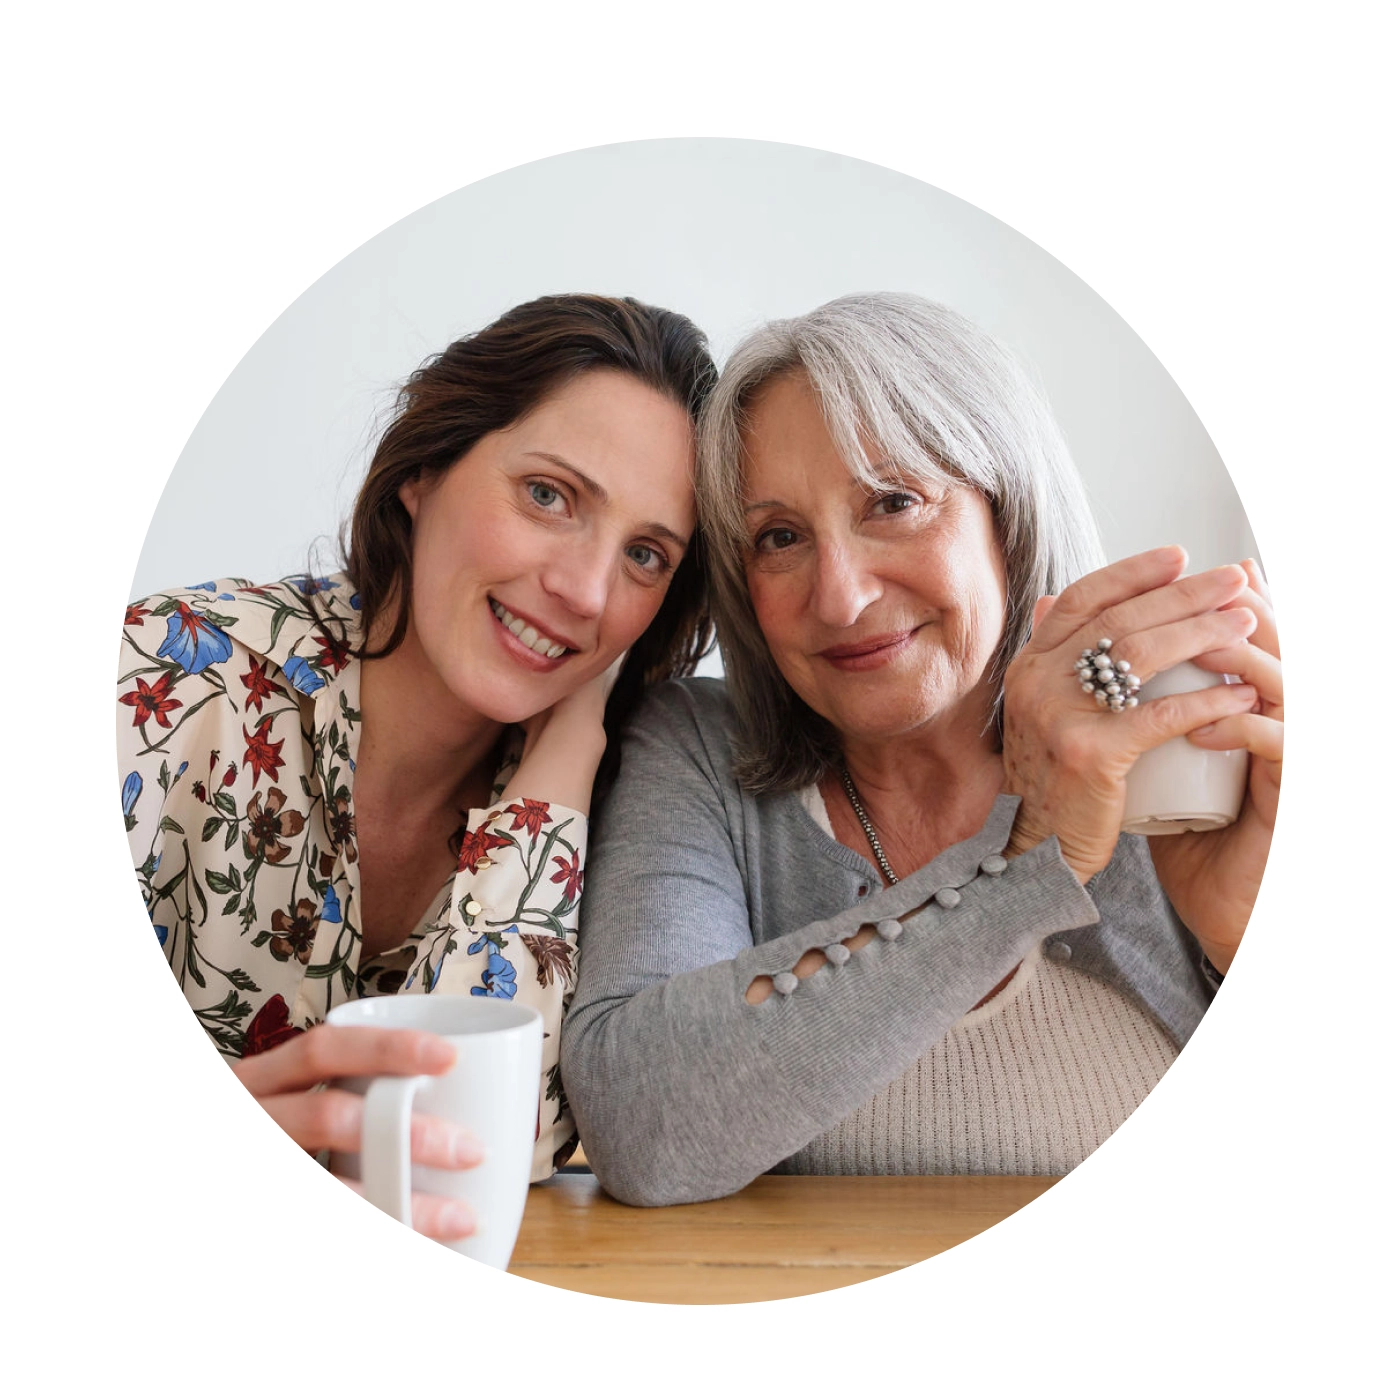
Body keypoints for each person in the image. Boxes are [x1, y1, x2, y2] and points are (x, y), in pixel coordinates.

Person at [562, 292, 1282, 1206]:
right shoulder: (701, 752)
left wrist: (1243, 944)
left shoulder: (1171, 748)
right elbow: (643, 1125)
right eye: (779, 537)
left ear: (1008, 514)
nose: (841, 598)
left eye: (894, 501)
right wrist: (1019, 870)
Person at [118, 293, 716, 1239]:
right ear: (425, 470)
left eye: (645, 555)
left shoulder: (635, 808)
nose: (584, 591)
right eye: (548, 495)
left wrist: (559, 768)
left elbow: (485, 1150)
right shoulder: (169, 679)